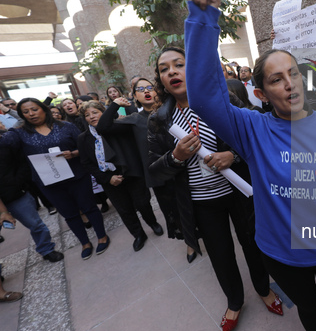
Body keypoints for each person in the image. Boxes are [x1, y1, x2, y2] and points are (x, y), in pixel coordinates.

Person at [186, 0, 316, 331]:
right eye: (276, 79)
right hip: (280, 253)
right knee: (309, 312)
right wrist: (203, 19)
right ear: (261, 92)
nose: (289, 84)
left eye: (293, 74)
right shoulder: (252, 129)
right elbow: (204, 97)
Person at [148, 46, 282, 331]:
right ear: (160, 79)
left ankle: (263, 289)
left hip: (240, 193)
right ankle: (235, 301)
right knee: (221, 255)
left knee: (253, 244)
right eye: (164, 68)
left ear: (193, 68)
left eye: (179, 64)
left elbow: (257, 136)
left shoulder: (221, 100)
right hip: (202, 201)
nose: (171, 71)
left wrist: (232, 156)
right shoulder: (159, 120)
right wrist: (175, 157)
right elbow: (153, 170)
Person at [0, 98, 109, 260]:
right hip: (49, 182)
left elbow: (86, 147)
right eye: (26, 112)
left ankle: (102, 236)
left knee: (89, 207)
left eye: (34, 109)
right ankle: (85, 243)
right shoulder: (19, 133)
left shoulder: (66, 127)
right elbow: (3, 144)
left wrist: (73, 154)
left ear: (44, 109)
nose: (31, 114)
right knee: (70, 214)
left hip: (77, 176)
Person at [96, 77, 184, 240]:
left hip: (184, 167)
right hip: (160, 176)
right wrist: (115, 104)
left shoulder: (173, 111)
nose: (146, 91)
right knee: (172, 211)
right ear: (134, 96)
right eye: (141, 90)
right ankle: (188, 242)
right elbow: (103, 127)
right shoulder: (135, 119)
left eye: (150, 87)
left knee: (192, 206)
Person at [78, 101, 164, 251]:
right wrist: (107, 179)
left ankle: (153, 223)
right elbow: (87, 163)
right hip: (110, 180)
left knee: (143, 203)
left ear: (103, 113)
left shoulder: (116, 127)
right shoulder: (83, 138)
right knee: (125, 210)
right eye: (87, 115)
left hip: (131, 173)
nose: (91, 117)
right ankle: (138, 235)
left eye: (95, 112)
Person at [0, 142, 64, 263]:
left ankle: (47, 250)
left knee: (36, 224)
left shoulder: (7, 142)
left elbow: (23, 162)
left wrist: (17, 182)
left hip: (16, 195)